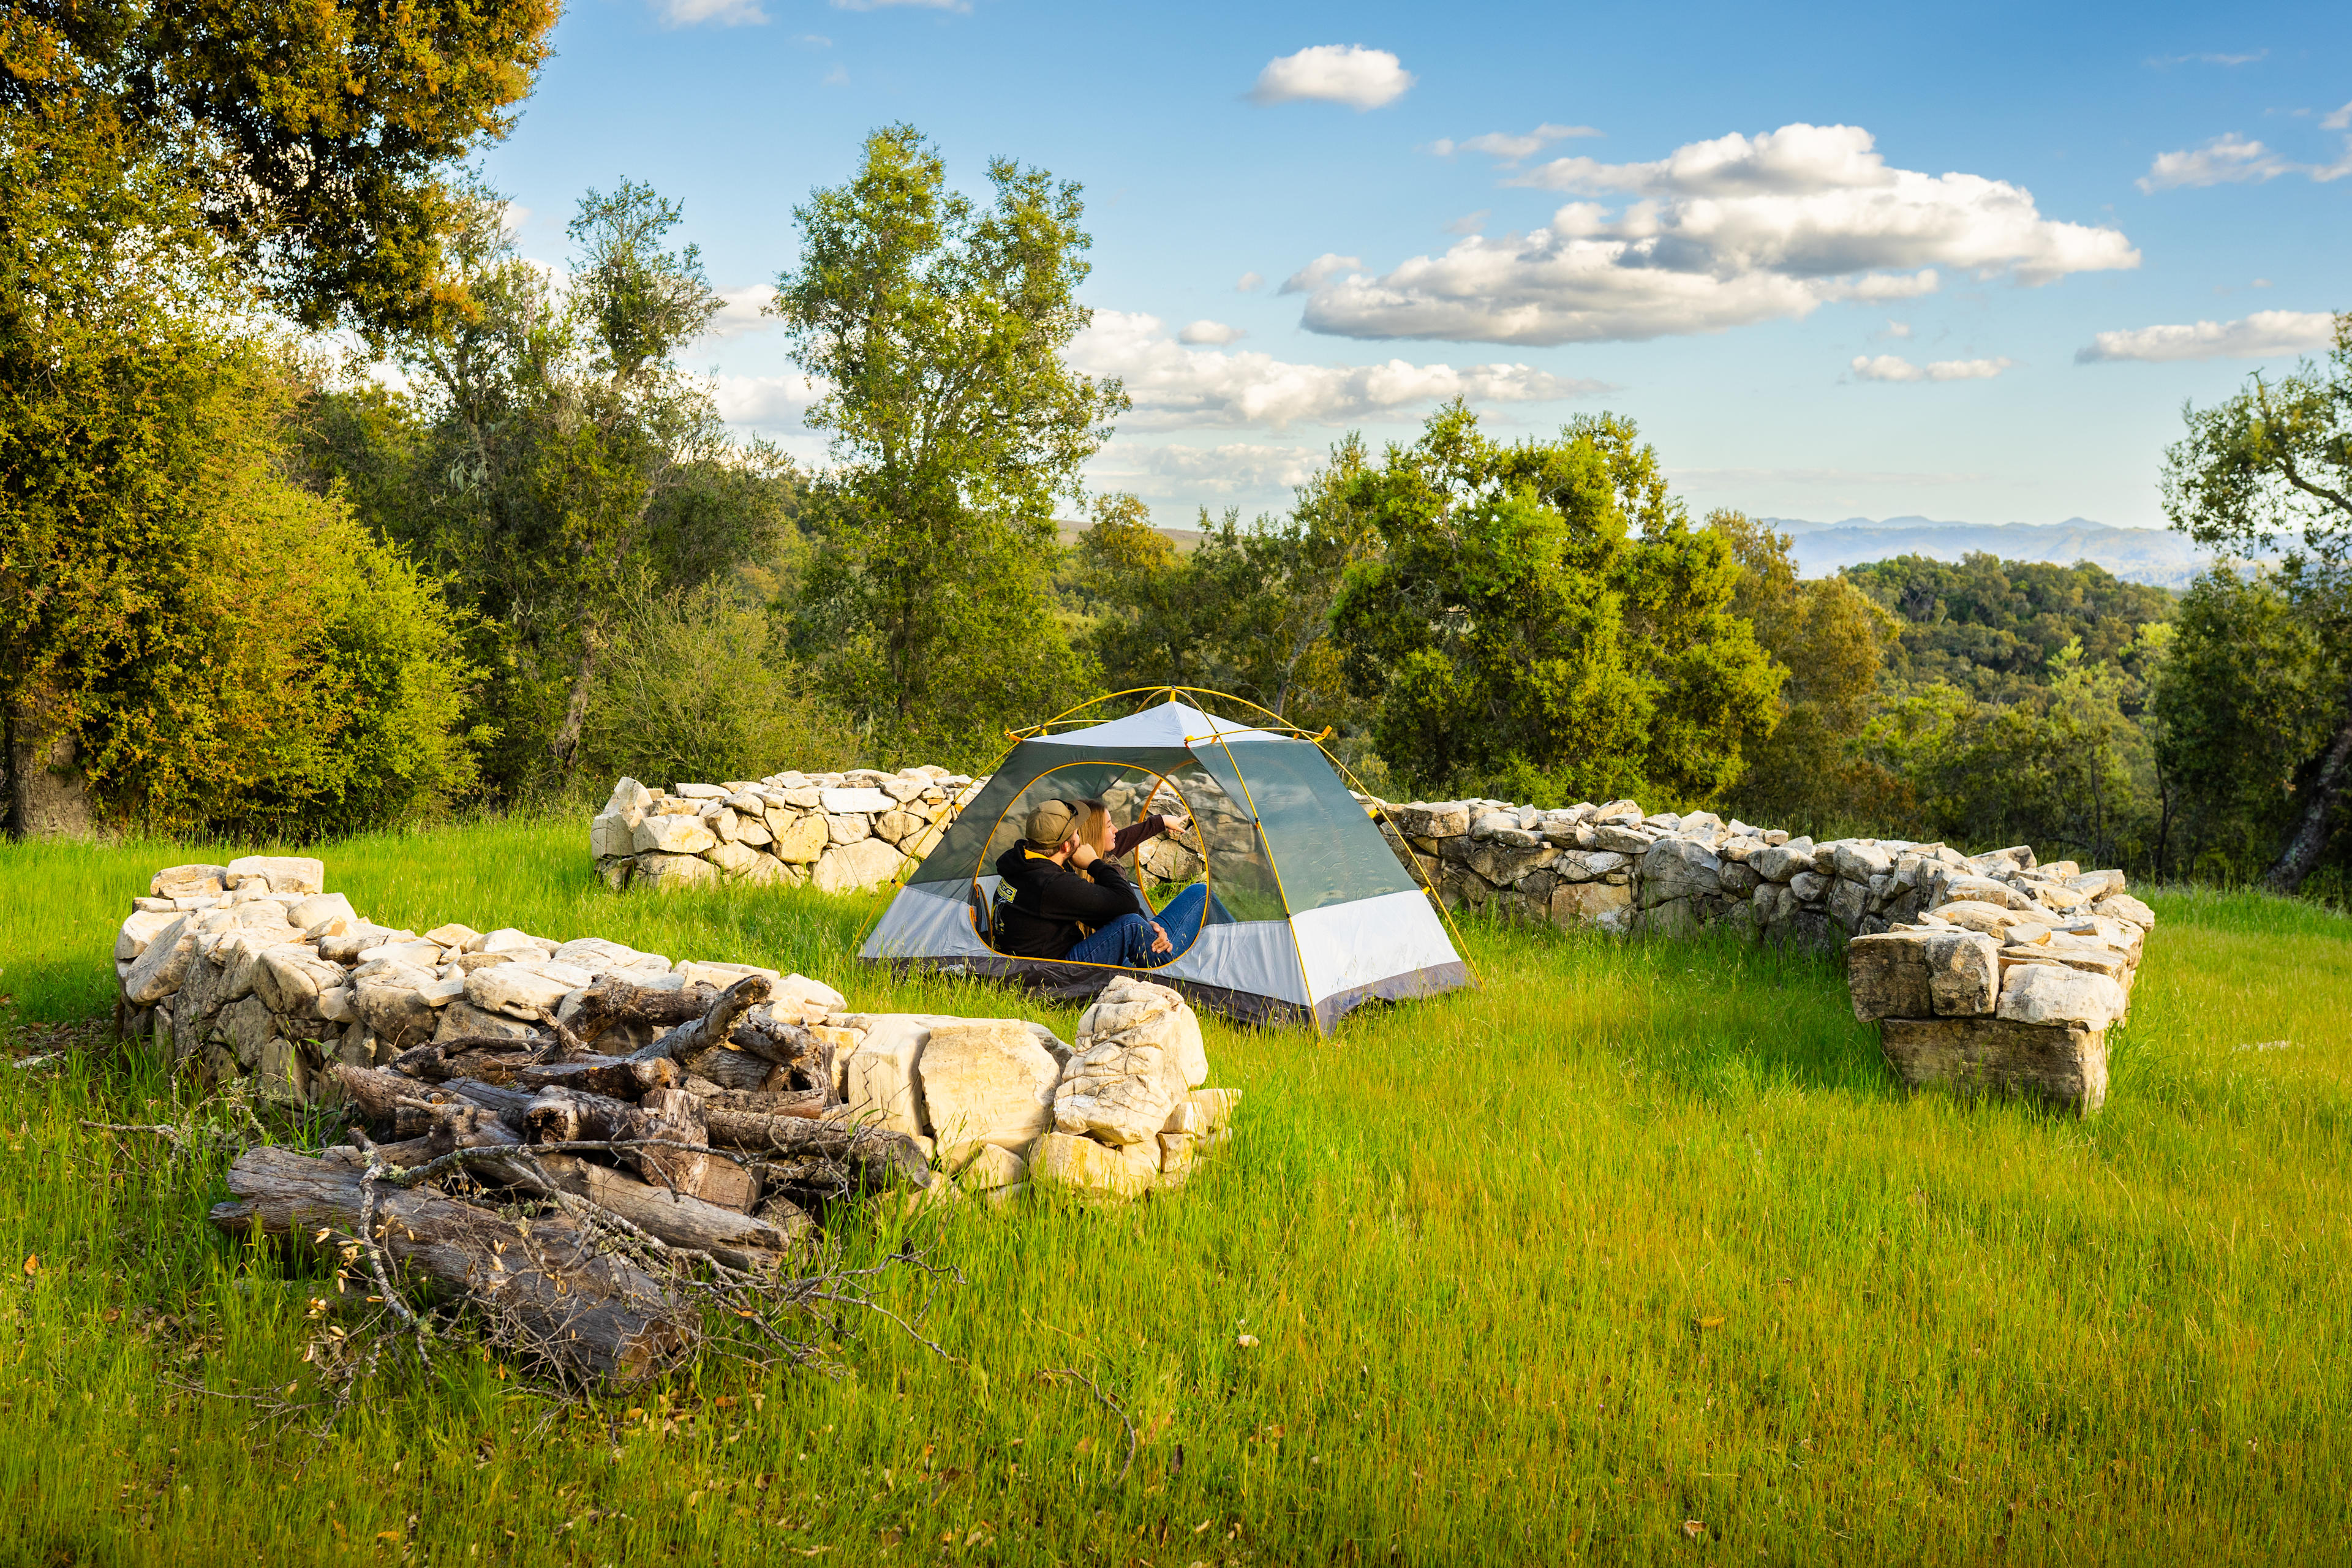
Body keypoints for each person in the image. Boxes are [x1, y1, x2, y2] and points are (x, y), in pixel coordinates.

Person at [991, 797, 1220, 967]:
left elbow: (1105, 907)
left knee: (1198, 894)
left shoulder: (1021, 863)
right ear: (1067, 846)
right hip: (1058, 974)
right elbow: (1127, 904)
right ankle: (1174, 972)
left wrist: (1146, 926)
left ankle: (1171, 955)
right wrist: (1094, 864)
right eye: (1075, 832)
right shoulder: (1051, 883)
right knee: (1133, 924)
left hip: (1043, 966)